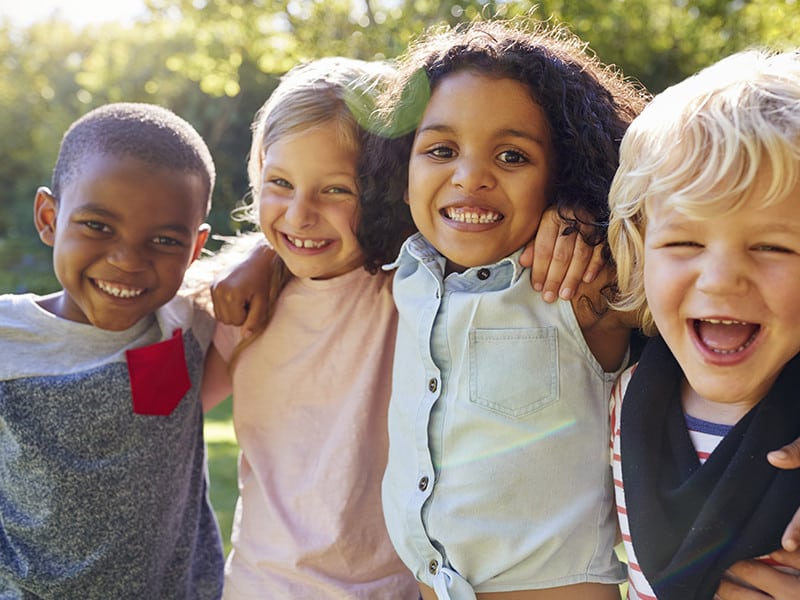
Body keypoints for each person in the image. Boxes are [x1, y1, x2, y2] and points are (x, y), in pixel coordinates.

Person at [366, 18, 648, 600]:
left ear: (562, 170)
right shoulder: (410, 272)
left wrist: (589, 222)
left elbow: (694, 263)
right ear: (404, 165)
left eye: (513, 156)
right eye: (441, 149)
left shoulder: (580, 279)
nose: (471, 177)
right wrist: (259, 259)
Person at [200, 57, 421, 599]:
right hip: (261, 587)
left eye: (336, 190)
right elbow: (161, 413)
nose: (299, 215)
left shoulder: (413, 287)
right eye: (280, 182)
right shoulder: (239, 302)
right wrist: (261, 254)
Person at [0, 103, 224, 598]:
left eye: (164, 240)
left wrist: (252, 270)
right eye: (98, 227)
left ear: (195, 249)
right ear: (49, 218)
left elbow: (283, 254)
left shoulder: (187, 321)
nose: (128, 261)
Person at [608, 49, 800, 600]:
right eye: (684, 241)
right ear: (640, 252)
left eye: (771, 245)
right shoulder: (621, 402)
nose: (719, 280)